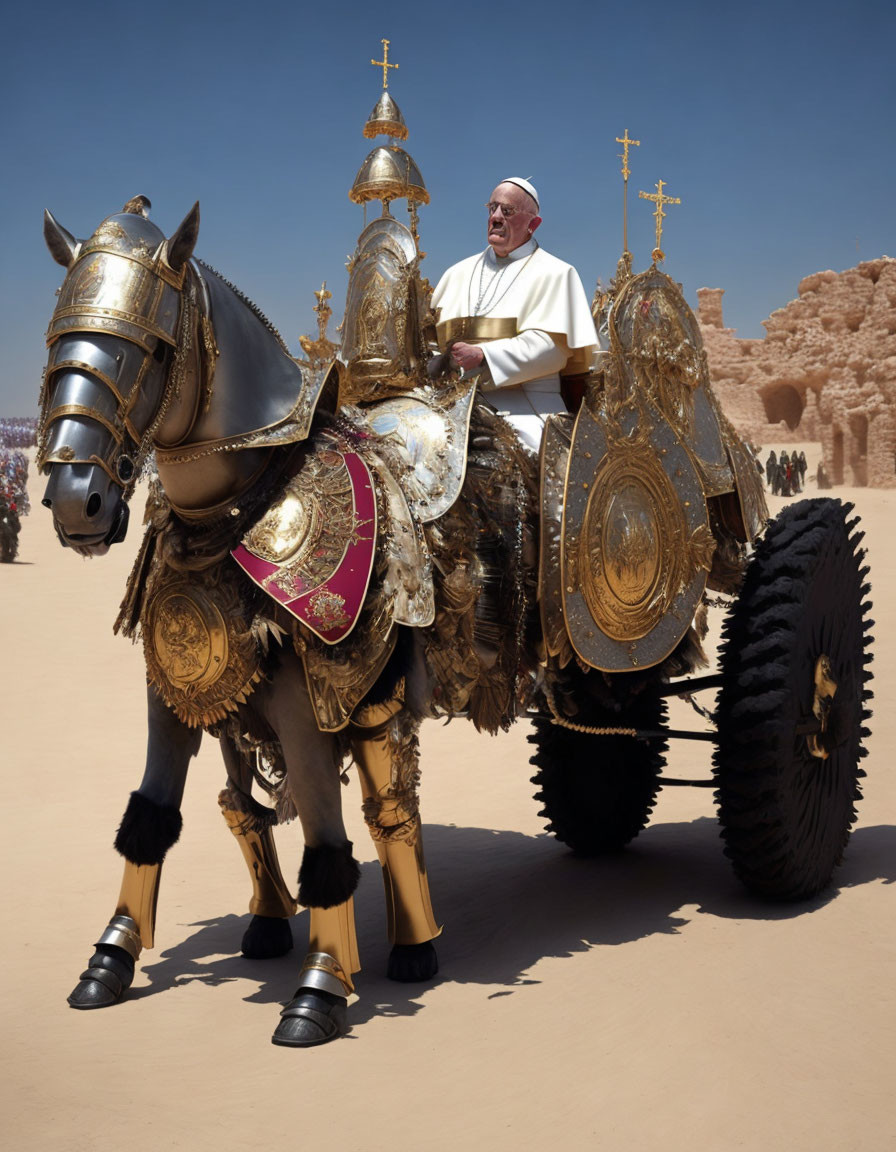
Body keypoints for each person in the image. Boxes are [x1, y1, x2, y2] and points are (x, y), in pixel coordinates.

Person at [430, 178, 598, 452]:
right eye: (492, 208)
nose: (495, 217)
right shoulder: (455, 274)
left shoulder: (556, 273)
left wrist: (485, 356)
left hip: (526, 406)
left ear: (534, 224)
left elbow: (554, 348)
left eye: (507, 211)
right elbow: (430, 339)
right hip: (450, 404)